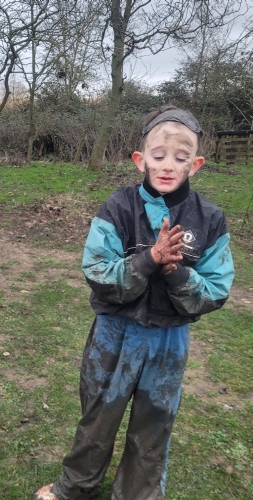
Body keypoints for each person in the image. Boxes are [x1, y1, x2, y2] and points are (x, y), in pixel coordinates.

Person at [35, 105, 234, 500]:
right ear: (140, 160)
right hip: (114, 333)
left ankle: (137, 493)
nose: (168, 165)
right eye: (158, 156)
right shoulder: (117, 207)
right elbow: (96, 270)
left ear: (195, 165)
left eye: (181, 158)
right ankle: (76, 487)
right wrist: (149, 260)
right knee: (97, 418)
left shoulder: (210, 219)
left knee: (154, 424)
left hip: (169, 341)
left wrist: (176, 273)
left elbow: (216, 289)